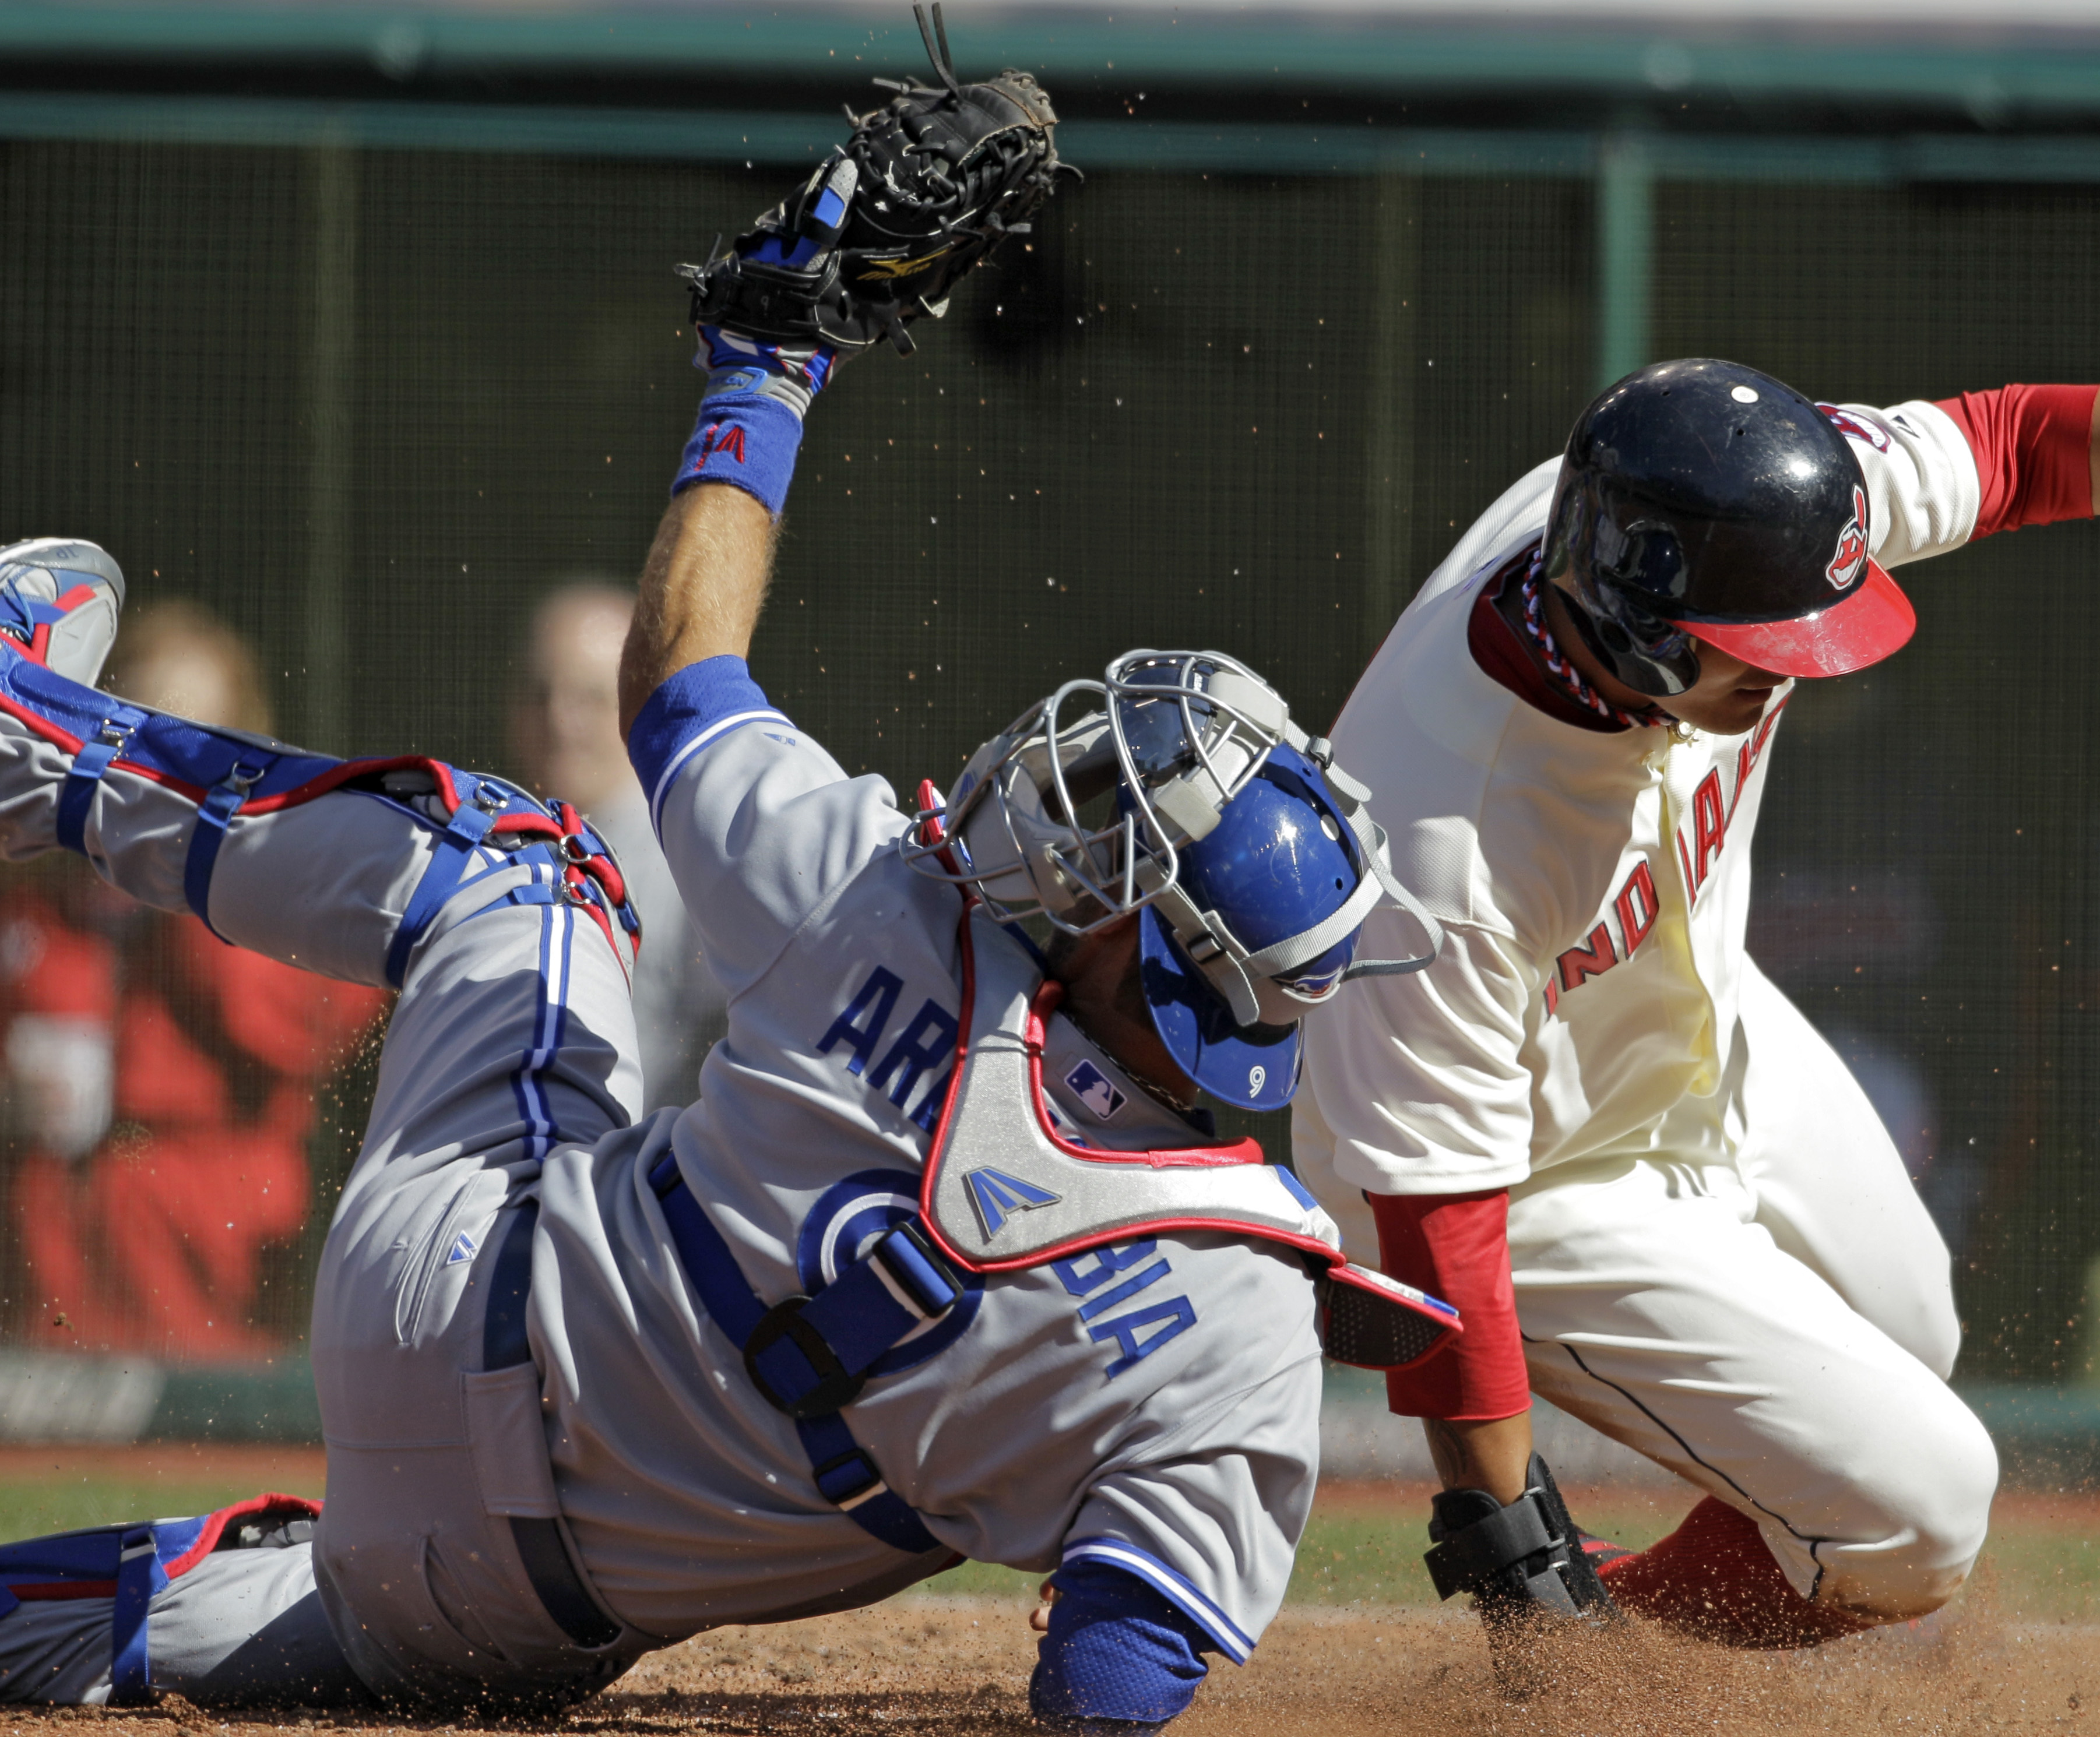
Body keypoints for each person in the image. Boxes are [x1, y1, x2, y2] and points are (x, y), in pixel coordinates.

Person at [0, 187, 1450, 1724]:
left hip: (447, 1289)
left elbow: (678, 682)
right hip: (502, 1623)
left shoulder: (902, 909)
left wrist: (768, 366)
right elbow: (1112, 1679)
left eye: (1110, 831)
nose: (1065, 803)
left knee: (538, 866)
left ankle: (32, 744)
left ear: (1143, 952)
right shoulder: (1241, 1322)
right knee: (355, 1586)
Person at [1289, 364, 2100, 1655]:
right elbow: (1439, 1227)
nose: (1806, 669)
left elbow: (2016, 445)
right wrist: (1508, 1549)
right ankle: (1604, 1667)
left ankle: (1658, 1607)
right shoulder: (1439, 837)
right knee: (1925, 1511)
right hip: (1526, 1176)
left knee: (1914, 1330)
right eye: (1766, 653)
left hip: (1702, 1035)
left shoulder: (1712, 517)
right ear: (1638, 629)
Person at [2, 600, 384, 1359]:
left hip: (216, 1274)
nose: (154, 764)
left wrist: (196, 882)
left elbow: (315, 1031)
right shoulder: (41, 899)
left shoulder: (279, 892)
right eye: (134, 728)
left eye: (189, 740)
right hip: (47, 1274)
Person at [509, 583, 725, 1111]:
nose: (561, 721)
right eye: (541, 694)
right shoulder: (505, 847)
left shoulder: (688, 858)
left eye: (590, 697)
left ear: (644, 707)